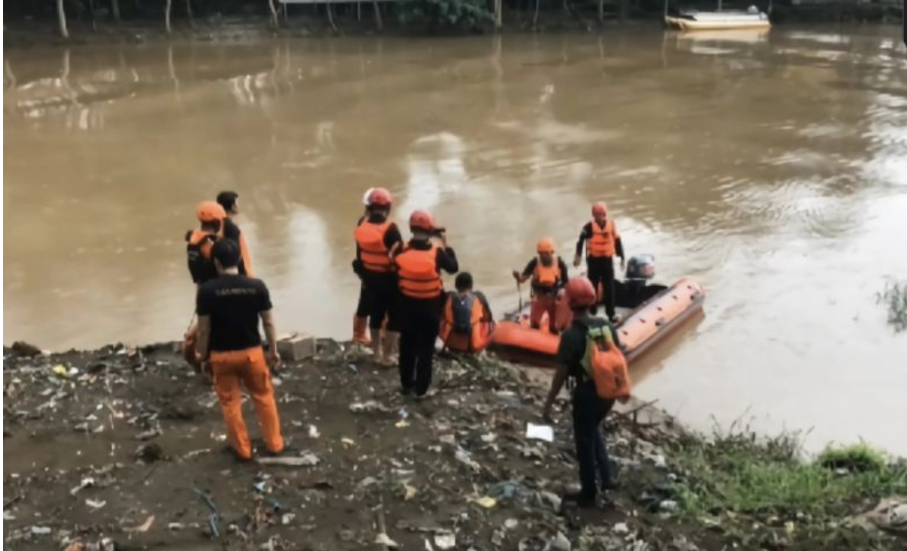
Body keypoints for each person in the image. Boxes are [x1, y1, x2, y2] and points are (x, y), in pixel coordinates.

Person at [194, 239, 284, 461]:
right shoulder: (257, 286)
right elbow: (268, 322)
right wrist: (273, 350)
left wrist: (202, 356)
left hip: (222, 356)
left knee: (230, 403)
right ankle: (274, 444)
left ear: (216, 262)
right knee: (264, 397)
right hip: (252, 354)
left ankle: (243, 450)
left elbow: (204, 329)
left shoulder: (206, 291)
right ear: (240, 259)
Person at [543, 277, 620, 507]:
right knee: (595, 429)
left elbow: (560, 376)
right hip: (609, 391)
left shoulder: (571, 336)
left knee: (584, 442)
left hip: (587, 393)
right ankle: (607, 478)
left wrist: (547, 405)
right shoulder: (607, 327)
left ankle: (589, 492)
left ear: (570, 303)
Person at [394, 210, 458, 397]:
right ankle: (421, 389)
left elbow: (394, 266)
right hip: (430, 308)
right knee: (426, 349)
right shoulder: (437, 253)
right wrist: (445, 243)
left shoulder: (401, 249)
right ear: (430, 230)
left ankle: (407, 385)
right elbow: (453, 267)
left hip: (406, 306)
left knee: (406, 347)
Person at [352, 187, 404, 364]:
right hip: (388, 278)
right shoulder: (391, 229)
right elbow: (400, 257)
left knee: (375, 315)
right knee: (394, 317)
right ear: (388, 207)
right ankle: (388, 355)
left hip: (369, 279)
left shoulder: (361, 225)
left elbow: (359, 256)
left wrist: (364, 276)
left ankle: (376, 353)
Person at [183, 201, 228, 368]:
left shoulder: (193, 241)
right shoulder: (211, 245)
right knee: (215, 328)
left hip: (201, 288)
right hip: (216, 291)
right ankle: (209, 363)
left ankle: (196, 354)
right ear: (216, 222)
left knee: (204, 325)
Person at [574, 202, 625, 323]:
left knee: (609, 287)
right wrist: (578, 256)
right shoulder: (588, 227)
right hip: (594, 261)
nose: (600, 217)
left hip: (607, 261)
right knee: (592, 286)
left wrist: (622, 256)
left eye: (602, 215)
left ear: (605, 214)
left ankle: (611, 314)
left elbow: (617, 240)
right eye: (597, 215)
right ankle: (592, 311)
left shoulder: (611, 225)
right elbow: (580, 241)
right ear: (593, 215)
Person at [512, 238, 570, 334]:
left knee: (554, 326)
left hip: (553, 298)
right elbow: (523, 278)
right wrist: (518, 277)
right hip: (538, 298)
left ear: (551, 252)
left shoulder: (560, 263)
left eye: (546, 253)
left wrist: (562, 292)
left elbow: (566, 282)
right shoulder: (534, 263)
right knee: (534, 324)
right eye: (541, 253)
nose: (544, 256)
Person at [439, 272, 495, 353]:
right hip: (472, 344)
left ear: (455, 285)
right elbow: (488, 317)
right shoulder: (479, 297)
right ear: (472, 285)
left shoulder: (448, 296)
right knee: (489, 323)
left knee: (441, 317)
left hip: (450, 341)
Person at [216, 191, 254, 278]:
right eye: (237, 203)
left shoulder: (217, 224)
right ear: (233, 206)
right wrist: (246, 275)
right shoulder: (230, 227)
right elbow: (235, 252)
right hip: (239, 273)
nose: (238, 206)